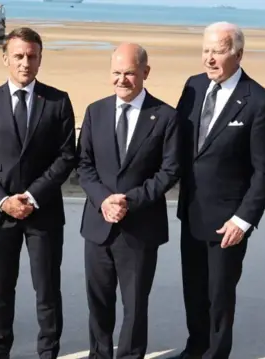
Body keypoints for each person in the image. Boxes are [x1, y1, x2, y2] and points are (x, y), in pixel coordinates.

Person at [0, 27, 77, 359]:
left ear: (40, 58)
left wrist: (30, 197)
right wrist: (3, 200)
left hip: (43, 213)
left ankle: (48, 353)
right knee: (0, 291)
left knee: (47, 291)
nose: (25, 62)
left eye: (31, 56)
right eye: (18, 56)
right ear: (5, 59)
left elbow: (66, 156)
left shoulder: (58, 101)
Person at [173, 21, 265, 359]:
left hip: (228, 223)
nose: (208, 59)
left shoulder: (260, 103)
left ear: (238, 54)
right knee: (194, 290)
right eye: (205, 50)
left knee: (219, 295)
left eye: (217, 51)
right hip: (191, 213)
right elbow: (175, 142)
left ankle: (215, 354)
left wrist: (243, 220)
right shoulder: (192, 87)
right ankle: (195, 349)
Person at [77, 42, 180, 359]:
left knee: (135, 305)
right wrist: (103, 200)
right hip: (98, 224)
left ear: (145, 73)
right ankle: (100, 355)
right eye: (117, 73)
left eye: (130, 74)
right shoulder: (96, 111)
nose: (122, 80)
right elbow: (84, 165)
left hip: (140, 228)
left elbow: (170, 170)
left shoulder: (165, 117)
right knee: (99, 301)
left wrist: (128, 201)